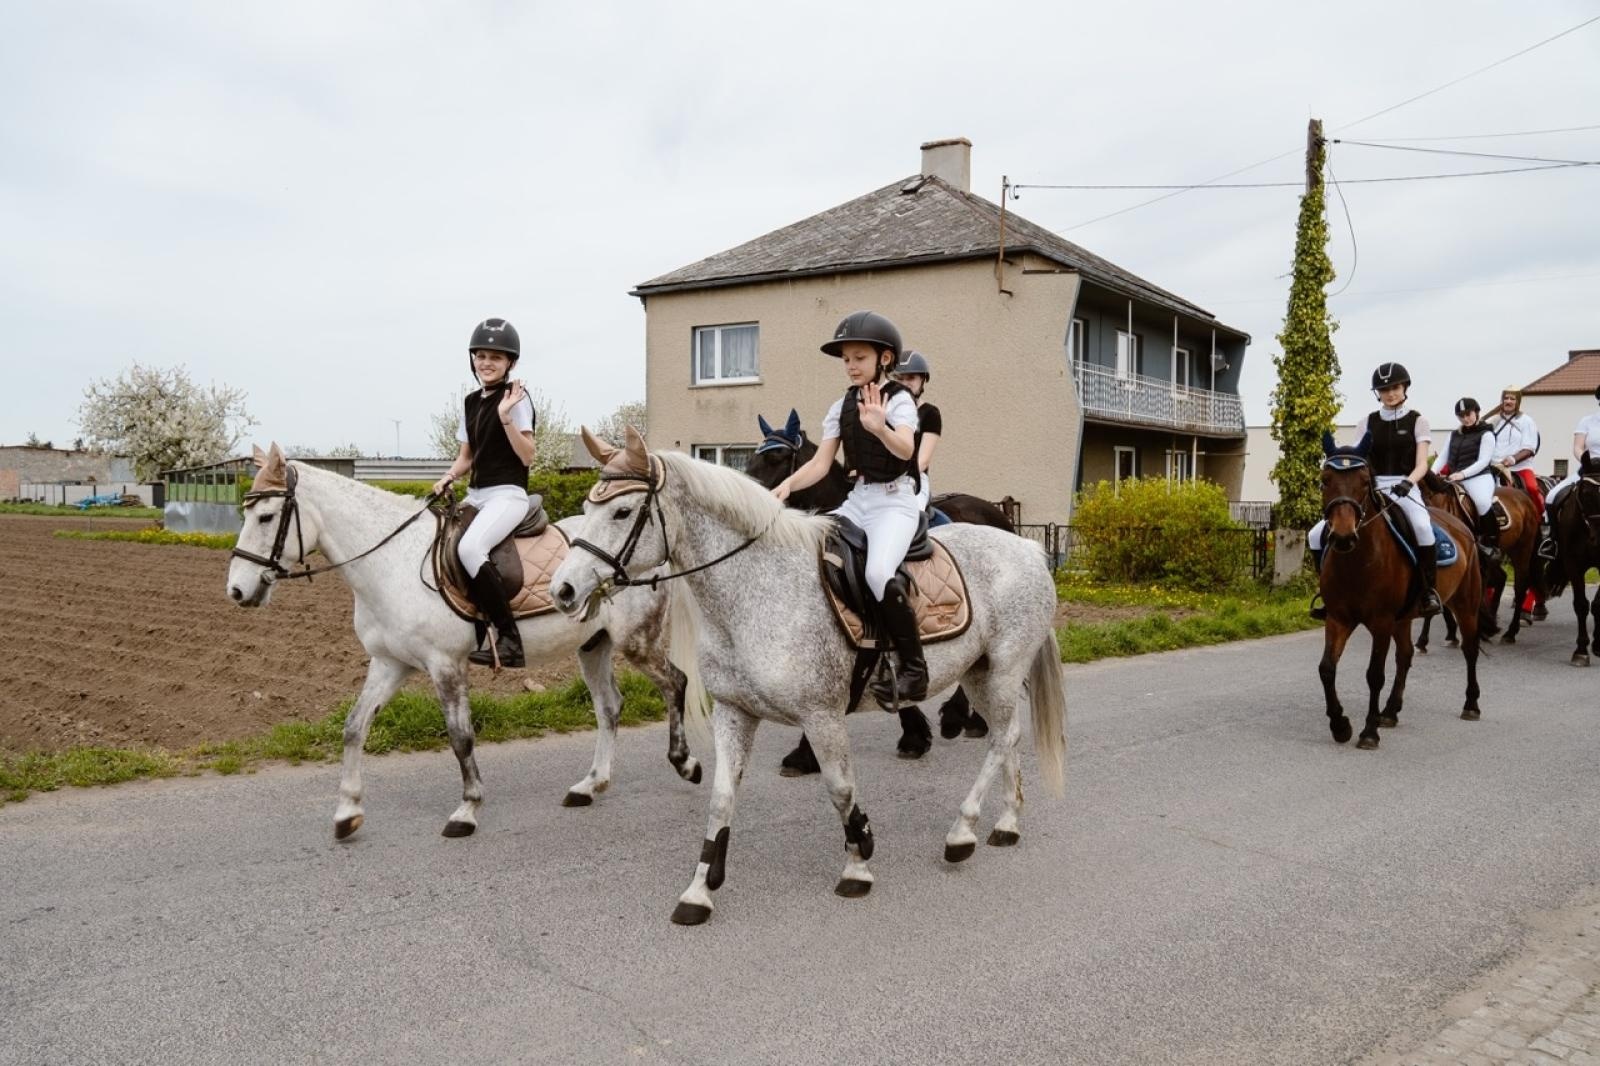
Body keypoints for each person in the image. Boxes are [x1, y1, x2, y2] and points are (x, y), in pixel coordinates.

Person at [771, 311, 926, 706]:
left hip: (897, 500)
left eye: (859, 357)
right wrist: (786, 486)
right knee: (812, 553)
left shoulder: (901, 400)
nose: (851, 365)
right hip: (859, 500)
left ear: (884, 359)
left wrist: (879, 427)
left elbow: (907, 450)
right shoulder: (840, 406)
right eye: (846, 359)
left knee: (877, 572)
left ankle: (913, 669)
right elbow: (822, 464)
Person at [430, 317, 536, 667]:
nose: (487, 362)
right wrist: (448, 476)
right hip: (476, 494)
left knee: (472, 547)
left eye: (496, 357)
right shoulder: (471, 401)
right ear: (473, 358)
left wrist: (506, 417)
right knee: (436, 538)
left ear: (510, 363)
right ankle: (466, 621)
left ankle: (509, 639)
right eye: (481, 355)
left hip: (508, 495)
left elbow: (528, 456)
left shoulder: (516, 399)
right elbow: (466, 457)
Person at [1308, 362, 1441, 619]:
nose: (1390, 393)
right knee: (1315, 535)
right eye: (1384, 389)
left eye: (1395, 387)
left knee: (1423, 528)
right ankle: (1326, 592)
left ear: (1404, 388)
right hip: (1373, 487)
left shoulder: (1418, 420)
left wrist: (1409, 482)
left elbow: (1423, 463)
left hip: (1406, 485)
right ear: (1377, 393)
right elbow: (1359, 460)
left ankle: (1428, 592)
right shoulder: (1366, 422)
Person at [1431, 397, 1500, 563]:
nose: (1465, 418)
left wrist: (1462, 474)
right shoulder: (1454, 434)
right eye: (1461, 416)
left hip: (1479, 477)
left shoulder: (1487, 433)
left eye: (1468, 414)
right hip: (1455, 477)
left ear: (1476, 412)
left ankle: (1491, 542)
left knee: (1482, 502)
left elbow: (1483, 460)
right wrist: (1431, 474)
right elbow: (1442, 458)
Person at [890, 349, 947, 525]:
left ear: (923, 380)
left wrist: (894, 479)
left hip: (912, 481)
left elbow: (922, 461)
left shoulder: (930, 413)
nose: (905, 383)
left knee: (907, 520)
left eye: (911, 378)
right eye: (900, 379)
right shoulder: (883, 412)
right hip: (879, 481)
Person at [1489, 387, 1544, 519]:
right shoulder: (1493, 421)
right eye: (1505, 398)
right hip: (1494, 467)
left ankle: (1542, 518)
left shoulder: (1526, 421)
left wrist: (1512, 459)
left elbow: (1530, 448)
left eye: (1512, 399)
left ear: (1517, 401)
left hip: (1519, 467)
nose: (1508, 401)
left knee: (1532, 488)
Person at [1544, 383, 1600, 511]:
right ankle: (1549, 530)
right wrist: (1586, 463)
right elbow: (1577, 447)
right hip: (1589, 468)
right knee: (1551, 496)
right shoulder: (1587, 421)